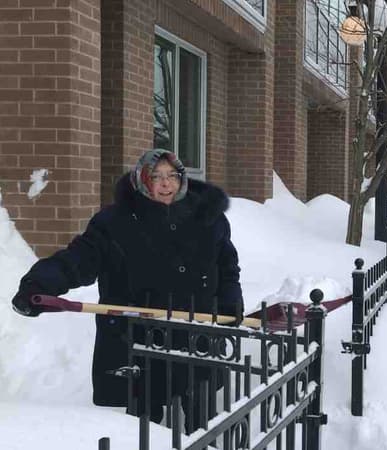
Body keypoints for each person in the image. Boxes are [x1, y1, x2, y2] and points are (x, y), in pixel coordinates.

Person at [11, 149, 243, 425]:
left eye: (172, 176)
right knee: (143, 425)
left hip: (197, 334)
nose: (166, 184)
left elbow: (227, 269)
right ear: (142, 180)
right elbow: (79, 259)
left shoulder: (209, 218)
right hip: (138, 339)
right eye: (156, 176)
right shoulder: (115, 222)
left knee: (203, 420)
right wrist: (39, 284)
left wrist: (230, 304)